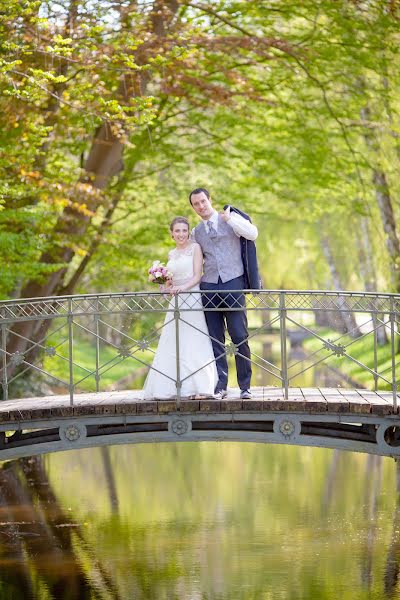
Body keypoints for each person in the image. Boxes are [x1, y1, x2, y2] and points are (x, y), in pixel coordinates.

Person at [190, 187, 260, 400]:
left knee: (239, 335)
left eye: (203, 201)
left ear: (209, 200)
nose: (201, 206)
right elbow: (190, 259)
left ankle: (245, 386)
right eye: (196, 204)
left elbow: (253, 233)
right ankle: (221, 385)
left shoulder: (230, 219)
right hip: (209, 286)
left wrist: (230, 219)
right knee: (215, 338)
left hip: (233, 281)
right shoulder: (196, 232)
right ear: (193, 207)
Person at [143, 216, 217, 400]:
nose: (181, 234)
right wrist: (163, 283)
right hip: (175, 300)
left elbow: (197, 275)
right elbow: (170, 282)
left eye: (184, 230)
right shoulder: (171, 254)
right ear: (172, 234)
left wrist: (183, 289)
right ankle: (170, 385)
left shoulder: (195, 248)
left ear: (188, 232)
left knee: (193, 339)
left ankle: (199, 386)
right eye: (177, 231)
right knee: (174, 339)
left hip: (191, 298)